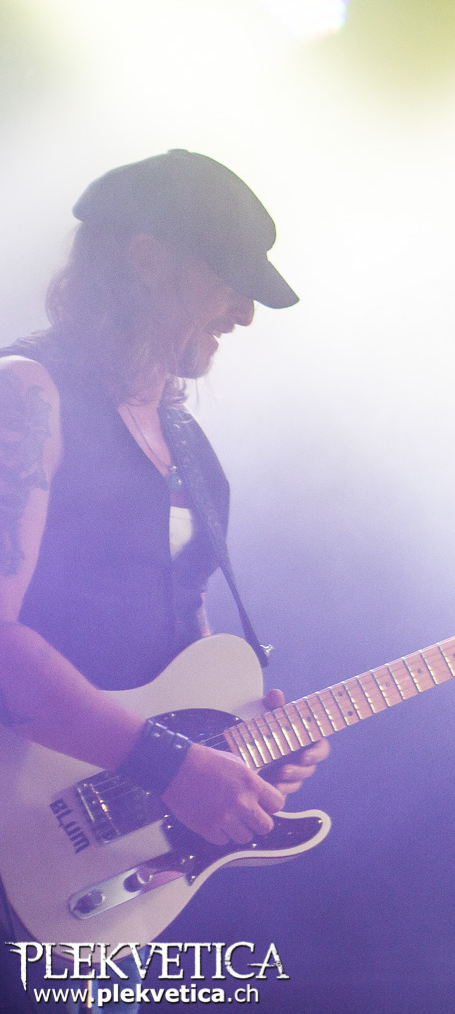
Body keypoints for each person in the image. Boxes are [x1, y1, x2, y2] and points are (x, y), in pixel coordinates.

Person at [0, 151, 328, 990]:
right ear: (146, 259)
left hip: (98, 862)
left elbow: (182, 645)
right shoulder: (26, 395)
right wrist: (172, 764)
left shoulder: (187, 444)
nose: (244, 314)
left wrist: (237, 740)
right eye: (229, 281)